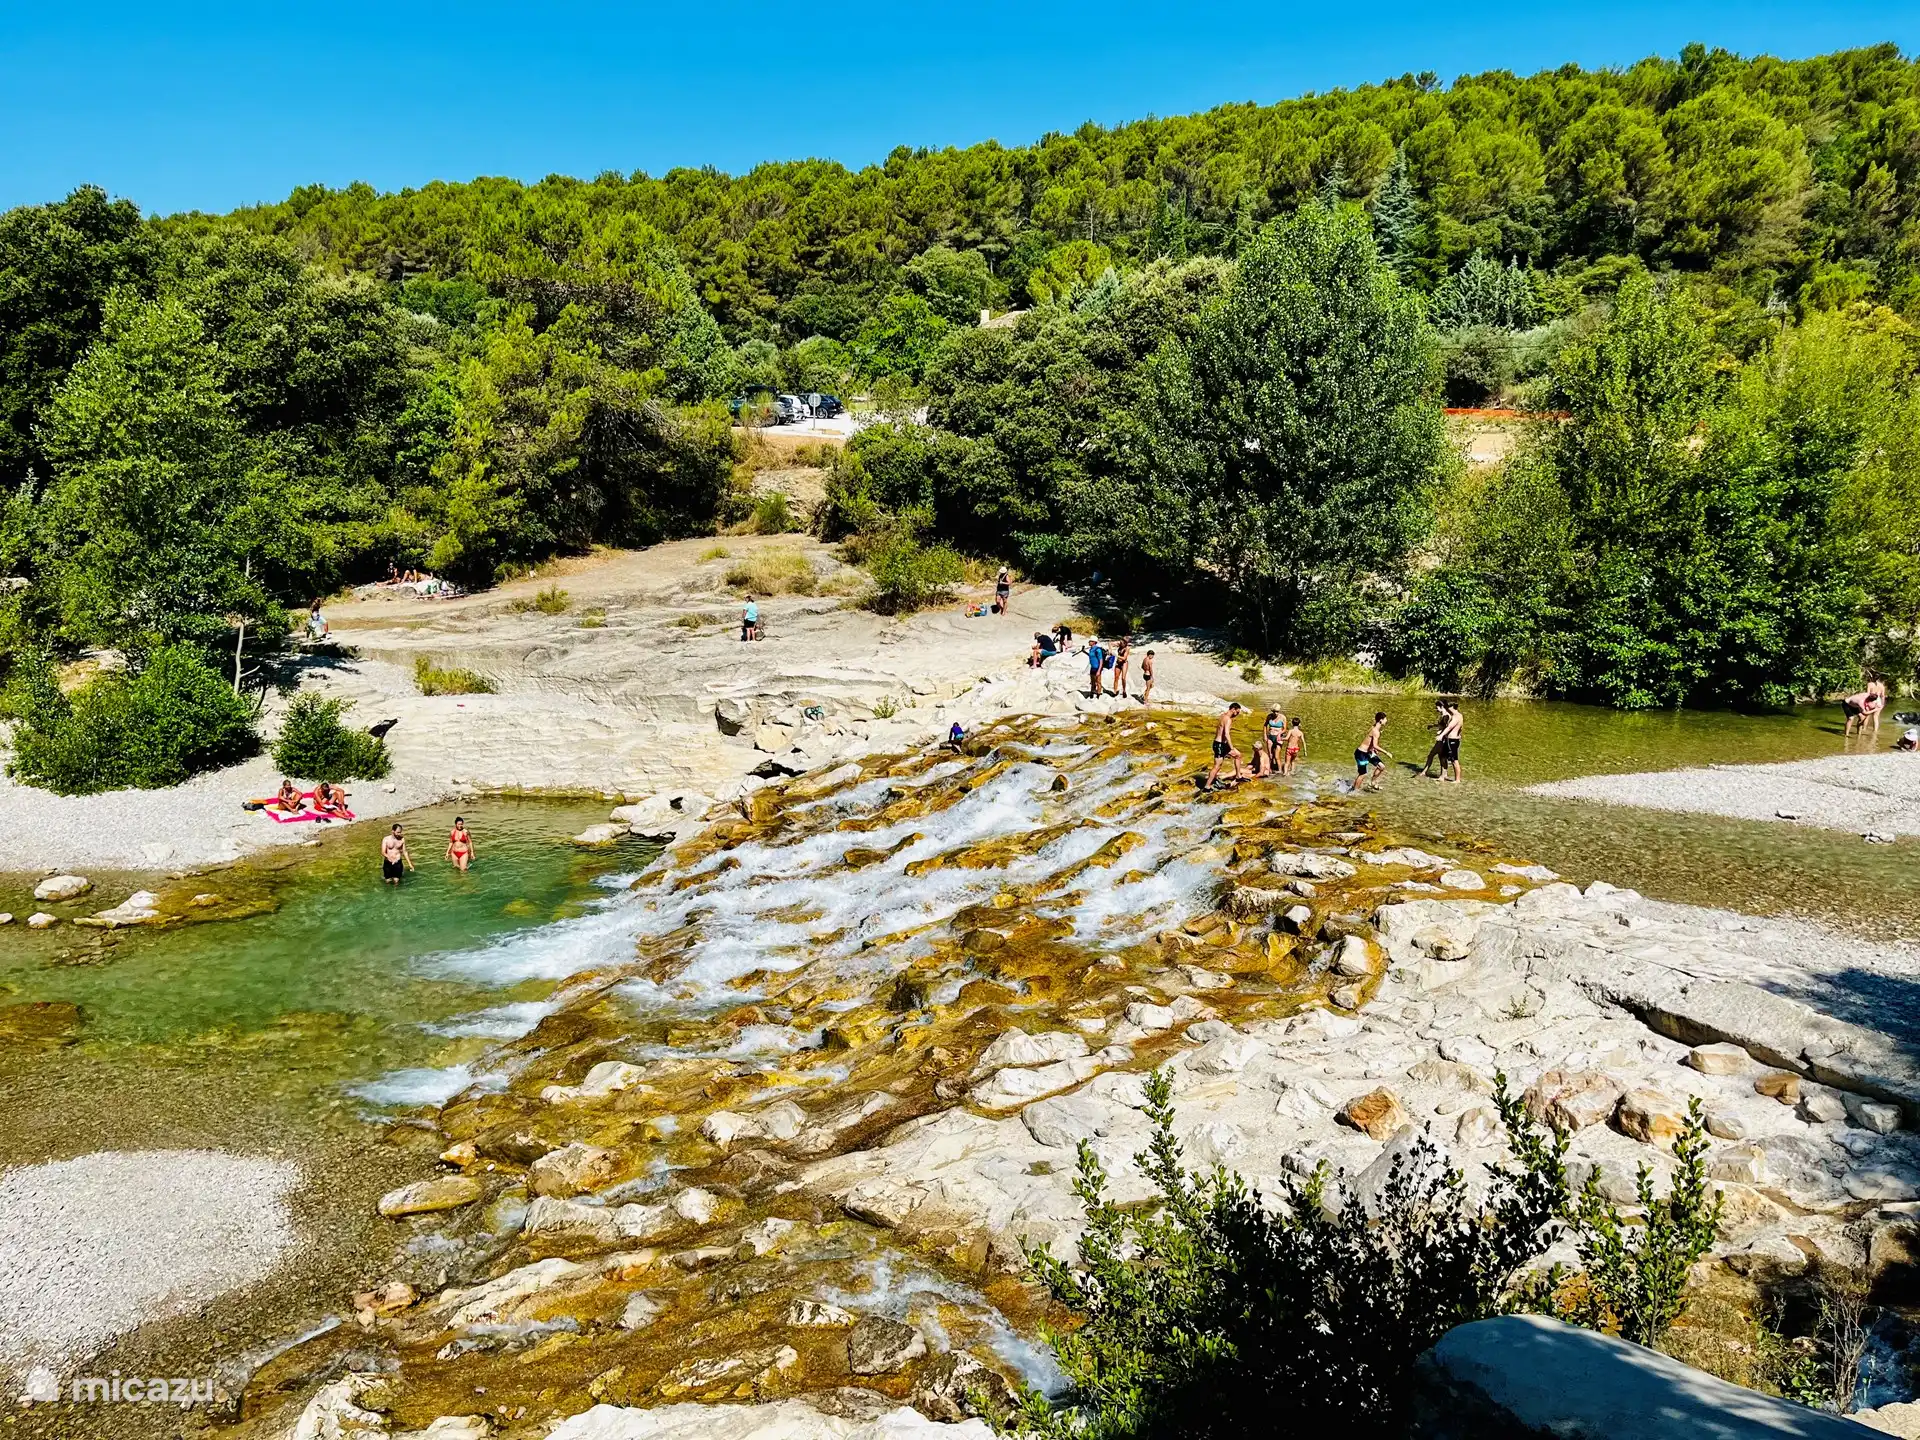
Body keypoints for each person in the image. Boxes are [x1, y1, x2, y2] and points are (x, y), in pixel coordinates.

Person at [1206, 702, 1247, 790]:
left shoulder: (1222, 716)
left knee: (1238, 755)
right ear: (1233, 709)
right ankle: (1207, 786)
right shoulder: (1228, 719)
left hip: (1220, 744)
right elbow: (1227, 734)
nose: (1237, 715)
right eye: (1237, 712)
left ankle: (1238, 776)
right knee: (1217, 766)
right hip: (1220, 745)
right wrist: (1231, 747)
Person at [1354, 712, 1391, 792]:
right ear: (1381, 720)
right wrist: (1386, 752)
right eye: (1385, 719)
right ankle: (1354, 792)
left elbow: (1369, 741)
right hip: (1361, 753)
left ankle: (1372, 783)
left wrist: (1373, 749)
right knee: (1362, 774)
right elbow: (1375, 745)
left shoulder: (1374, 728)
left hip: (1368, 753)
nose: (1386, 721)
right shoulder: (1375, 731)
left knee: (1381, 766)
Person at [1420, 700, 1451, 777]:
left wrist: (1441, 733)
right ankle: (1444, 774)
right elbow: (1441, 725)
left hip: (1442, 740)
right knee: (1441, 757)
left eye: (1437, 707)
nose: (1436, 709)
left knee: (1431, 755)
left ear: (1441, 707)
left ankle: (1424, 772)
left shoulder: (1446, 716)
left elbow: (1448, 728)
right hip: (1442, 739)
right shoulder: (1444, 715)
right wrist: (1433, 726)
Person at [1439, 702, 1464, 784]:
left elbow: (1449, 727)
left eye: (1448, 706)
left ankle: (1457, 779)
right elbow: (1461, 728)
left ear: (1453, 707)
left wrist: (1441, 735)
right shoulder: (1453, 716)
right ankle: (1443, 776)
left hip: (1452, 740)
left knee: (1454, 760)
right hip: (1448, 739)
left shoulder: (1457, 717)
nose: (1447, 708)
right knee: (1442, 757)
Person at [1263, 708, 1287, 773]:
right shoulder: (1269, 716)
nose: (1275, 713)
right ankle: (1269, 770)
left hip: (1278, 738)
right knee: (1270, 755)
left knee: (1277, 756)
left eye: (1277, 711)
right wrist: (1265, 735)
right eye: (1274, 711)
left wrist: (1280, 733)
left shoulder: (1283, 717)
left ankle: (1280, 771)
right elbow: (1265, 725)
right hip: (1270, 737)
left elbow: (1285, 729)